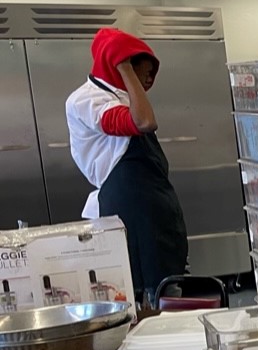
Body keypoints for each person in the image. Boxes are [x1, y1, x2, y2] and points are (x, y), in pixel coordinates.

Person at [65, 28, 188, 306]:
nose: (149, 79)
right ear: (123, 65)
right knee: (143, 293)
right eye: (146, 71)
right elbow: (144, 122)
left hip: (155, 205)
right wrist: (123, 66)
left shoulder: (120, 97)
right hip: (129, 207)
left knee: (168, 286)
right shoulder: (86, 100)